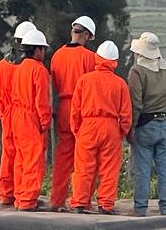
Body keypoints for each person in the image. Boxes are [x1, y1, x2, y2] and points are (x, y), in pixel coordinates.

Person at [127, 31, 166, 216]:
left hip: (145, 125)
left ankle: (141, 209)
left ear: (141, 53)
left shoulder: (137, 72)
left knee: (142, 169)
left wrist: (131, 127)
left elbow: (136, 103)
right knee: (165, 167)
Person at [69, 41, 131, 215]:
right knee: (109, 169)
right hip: (111, 128)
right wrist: (121, 132)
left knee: (83, 168)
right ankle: (105, 205)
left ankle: (79, 203)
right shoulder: (120, 84)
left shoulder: (84, 80)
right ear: (115, 62)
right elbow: (126, 114)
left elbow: (76, 110)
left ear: (97, 57)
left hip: (87, 126)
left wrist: (76, 130)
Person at [48, 15, 97, 211]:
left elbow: (54, 85)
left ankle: (57, 200)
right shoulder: (89, 58)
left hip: (63, 109)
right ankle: (81, 200)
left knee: (63, 157)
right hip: (83, 110)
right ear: (86, 35)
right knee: (85, 158)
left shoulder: (57, 56)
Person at [10, 28, 52, 212]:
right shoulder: (39, 70)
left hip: (17, 116)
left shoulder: (18, 68)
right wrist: (45, 121)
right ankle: (28, 201)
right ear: (36, 50)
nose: (44, 53)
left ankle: (20, 197)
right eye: (42, 49)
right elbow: (41, 101)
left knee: (21, 159)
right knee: (34, 161)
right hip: (30, 117)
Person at [0, 20, 35, 205]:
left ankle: (5, 193)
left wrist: (3, 111)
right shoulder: (26, 66)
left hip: (7, 112)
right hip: (23, 113)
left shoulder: (3, 64)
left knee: (8, 153)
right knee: (23, 155)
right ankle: (21, 193)